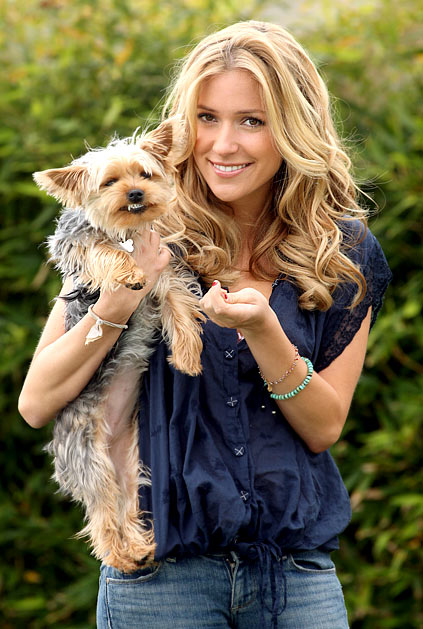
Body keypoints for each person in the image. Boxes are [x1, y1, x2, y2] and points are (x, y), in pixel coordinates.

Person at [19, 20, 391, 629]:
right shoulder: (139, 233)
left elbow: (324, 427)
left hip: (294, 578)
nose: (223, 144)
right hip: (159, 579)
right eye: (207, 118)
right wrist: (116, 304)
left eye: (252, 120)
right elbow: (37, 402)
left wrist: (266, 330)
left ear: (294, 128)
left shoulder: (341, 251)